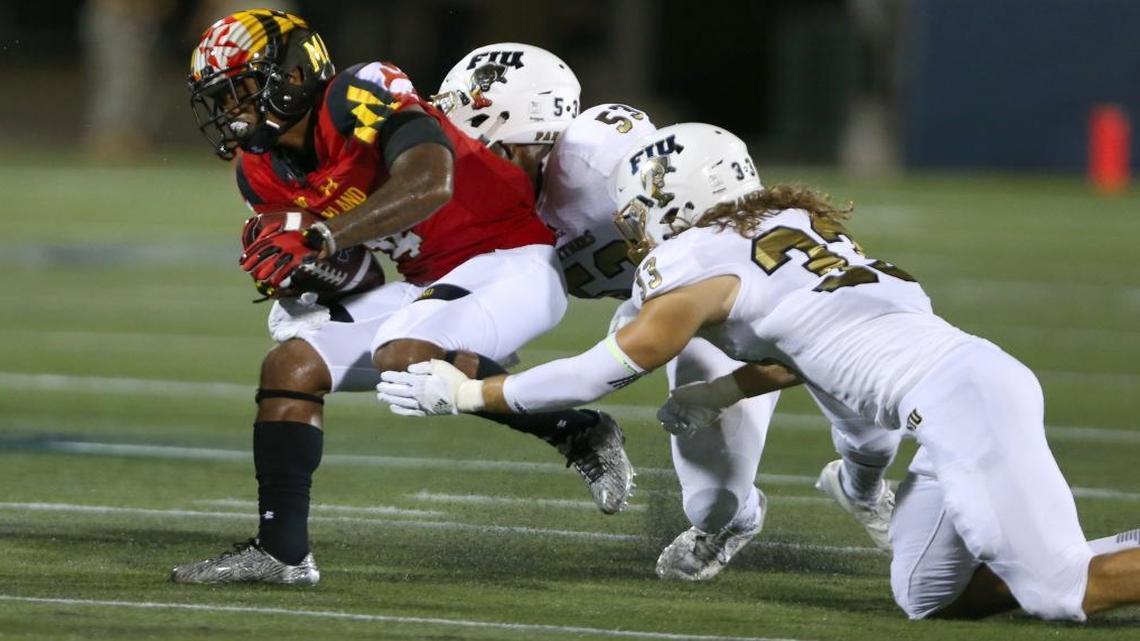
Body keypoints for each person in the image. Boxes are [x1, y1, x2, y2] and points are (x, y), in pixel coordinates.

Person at [378, 122, 1140, 621]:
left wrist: (472, 390)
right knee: (927, 593)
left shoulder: (694, 257)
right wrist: (725, 388)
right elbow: (822, 358)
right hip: (953, 395)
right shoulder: (799, 230)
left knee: (1058, 589)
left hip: (959, 399)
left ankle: (1055, 551)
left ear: (668, 200)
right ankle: (1046, 536)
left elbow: (606, 370)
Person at [171, 11, 632, 586]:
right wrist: (303, 271)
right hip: (429, 281)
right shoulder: (260, 172)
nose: (231, 109)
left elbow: (430, 181)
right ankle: (281, 552)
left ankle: (578, 429)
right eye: (221, 96)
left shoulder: (356, 93)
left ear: (290, 75)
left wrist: (324, 236)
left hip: (512, 259)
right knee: (291, 364)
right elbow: (359, 274)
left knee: (401, 349)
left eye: (240, 89)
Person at [433, 57, 895, 580]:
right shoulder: (461, 201)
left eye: (467, 138)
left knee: (874, 428)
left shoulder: (600, 156)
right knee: (712, 504)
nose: (455, 154)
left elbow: (706, 186)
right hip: (672, 306)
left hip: (723, 291)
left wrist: (470, 393)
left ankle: (865, 488)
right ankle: (737, 518)